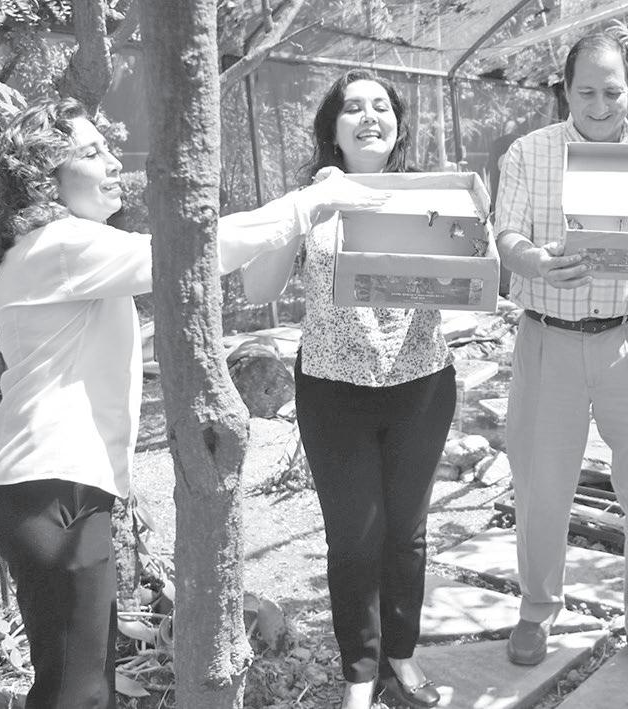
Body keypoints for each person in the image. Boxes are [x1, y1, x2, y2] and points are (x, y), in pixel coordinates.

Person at [0, 97, 376, 709]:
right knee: (76, 692)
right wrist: (311, 201)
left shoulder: (49, 251)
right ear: (45, 179)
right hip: (51, 490)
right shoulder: (60, 244)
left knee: (78, 682)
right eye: (92, 153)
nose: (114, 162)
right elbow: (196, 251)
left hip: (43, 487)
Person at [241, 70, 455, 709]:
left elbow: (469, 278)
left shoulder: (431, 196)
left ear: (398, 125)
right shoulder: (311, 199)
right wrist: (308, 208)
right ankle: (360, 674)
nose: (369, 117)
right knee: (355, 538)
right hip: (334, 391)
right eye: (353, 108)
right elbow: (257, 288)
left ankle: (401, 658)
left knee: (407, 533)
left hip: (421, 385)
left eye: (381, 107)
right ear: (331, 130)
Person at [494, 32, 628, 684]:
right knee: (541, 488)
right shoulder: (529, 152)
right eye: (586, 92)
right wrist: (535, 261)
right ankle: (536, 609)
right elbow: (506, 236)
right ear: (565, 91)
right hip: (548, 337)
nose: (600, 105)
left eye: (612, 91)